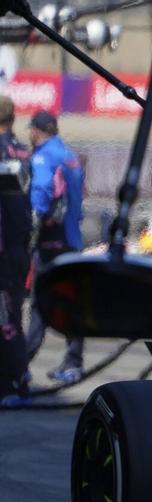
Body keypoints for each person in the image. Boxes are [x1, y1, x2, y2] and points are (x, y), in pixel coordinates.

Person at [25, 110, 84, 385]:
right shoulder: (69, 156)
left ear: (36, 131)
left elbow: (41, 189)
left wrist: (30, 222)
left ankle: (19, 364)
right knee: (71, 302)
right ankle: (73, 363)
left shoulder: (43, 156)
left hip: (50, 242)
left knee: (39, 302)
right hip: (72, 240)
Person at [0, 95, 31, 405]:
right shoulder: (23, 151)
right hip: (20, 247)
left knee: (6, 319)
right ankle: (16, 380)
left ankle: (15, 384)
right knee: (11, 317)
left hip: (5, 252)